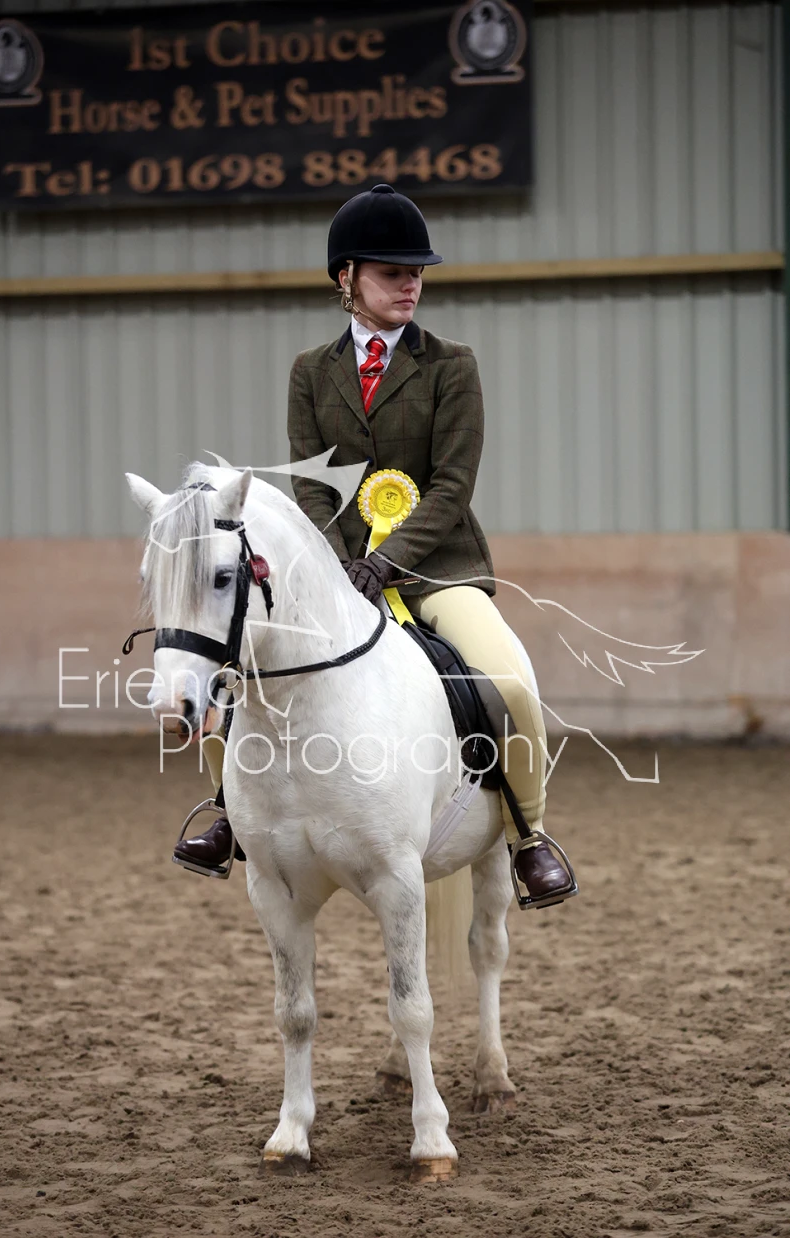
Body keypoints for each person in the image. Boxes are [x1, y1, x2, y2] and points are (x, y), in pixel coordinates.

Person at [173, 183, 573, 904]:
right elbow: (312, 484)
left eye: (416, 273)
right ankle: (229, 814)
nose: (410, 284)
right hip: (335, 577)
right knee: (232, 683)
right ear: (347, 277)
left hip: (438, 569)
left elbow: (453, 484)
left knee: (508, 684)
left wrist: (384, 561)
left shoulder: (451, 364)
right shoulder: (310, 371)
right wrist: (338, 565)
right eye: (393, 273)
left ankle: (530, 837)